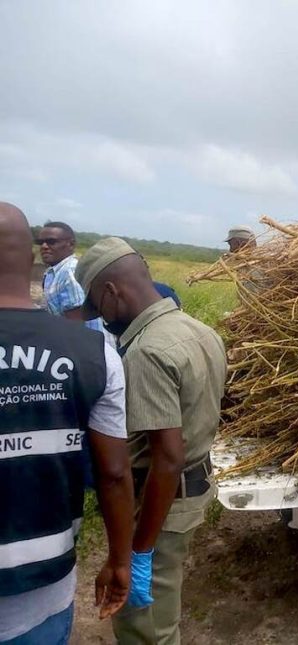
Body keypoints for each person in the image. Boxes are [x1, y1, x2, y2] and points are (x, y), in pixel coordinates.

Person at [75, 237, 227, 645]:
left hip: (160, 509)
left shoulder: (147, 352)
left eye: (97, 306)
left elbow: (167, 458)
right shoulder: (200, 330)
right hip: (189, 495)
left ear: (111, 292)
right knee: (159, 616)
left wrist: (135, 555)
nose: (101, 318)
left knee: (146, 630)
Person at [0, 203, 135, 644]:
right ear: (32, 262)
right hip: (44, 590)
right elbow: (114, 473)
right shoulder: (95, 353)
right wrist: (120, 558)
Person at [37, 221, 110, 338]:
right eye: (40, 242)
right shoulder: (54, 272)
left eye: (51, 242)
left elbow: (76, 325)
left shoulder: (70, 272)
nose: (44, 246)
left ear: (71, 244)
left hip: (86, 347)